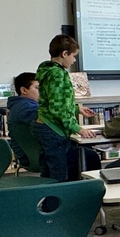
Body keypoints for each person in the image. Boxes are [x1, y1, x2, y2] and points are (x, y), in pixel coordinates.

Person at [33, 34, 101, 181]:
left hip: (44, 124)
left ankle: (45, 203)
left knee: (47, 173)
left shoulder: (46, 70)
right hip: (53, 129)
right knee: (59, 175)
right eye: (73, 56)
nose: (74, 60)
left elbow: (53, 100)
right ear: (64, 54)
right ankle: (55, 204)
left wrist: (76, 109)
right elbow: (58, 109)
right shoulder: (58, 74)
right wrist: (78, 128)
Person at [6, 72, 39, 167]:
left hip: (29, 156)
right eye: (37, 88)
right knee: (80, 153)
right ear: (24, 90)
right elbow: (50, 119)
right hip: (38, 158)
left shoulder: (18, 105)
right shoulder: (26, 107)